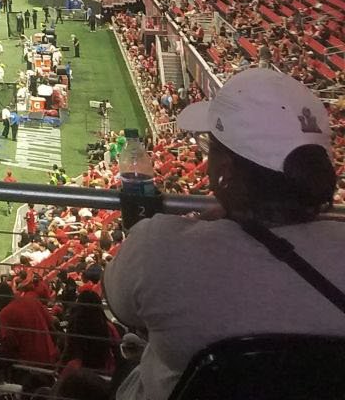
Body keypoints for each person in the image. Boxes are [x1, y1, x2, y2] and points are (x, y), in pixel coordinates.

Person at [106, 68, 345, 400]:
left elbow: (120, 305)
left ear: (224, 172)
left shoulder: (159, 248)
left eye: (212, 149)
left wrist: (205, 223)